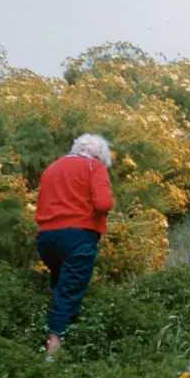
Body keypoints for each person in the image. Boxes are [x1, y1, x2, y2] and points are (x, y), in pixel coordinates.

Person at [35, 134, 114, 357]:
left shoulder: (52, 168)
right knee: (69, 292)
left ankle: (69, 335)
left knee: (61, 285)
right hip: (78, 236)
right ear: (99, 154)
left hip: (47, 238)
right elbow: (103, 202)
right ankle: (54, 350)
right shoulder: (94, 167)